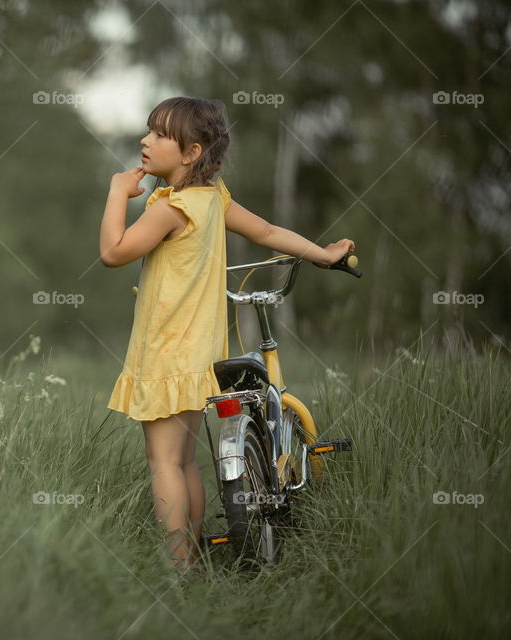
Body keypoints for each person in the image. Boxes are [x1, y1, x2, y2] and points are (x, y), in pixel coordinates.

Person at [98, 96, 355, 573]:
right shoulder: (212, 198)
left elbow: (114, 252)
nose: (145, 141)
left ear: (191, 153)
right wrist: (321, 254)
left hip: (165, 351)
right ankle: (193, 559)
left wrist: (116, 193)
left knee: (163, 463)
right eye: (148, 131)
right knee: (184, 461)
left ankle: (182, 570)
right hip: (199, 352)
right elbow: (268, 230)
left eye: (158, 135)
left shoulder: (172, 210)